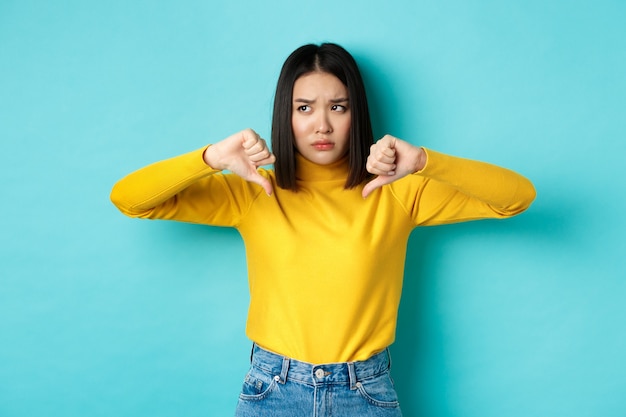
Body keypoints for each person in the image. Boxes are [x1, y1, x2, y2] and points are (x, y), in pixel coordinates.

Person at [110, 43, 536, 417]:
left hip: (365, 391)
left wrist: (425, 162)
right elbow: (129, 199)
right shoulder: (255, 190)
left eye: (338, 106)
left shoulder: (398, 193)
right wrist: (210, 158)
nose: (322, 125)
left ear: (356, 113)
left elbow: (516, 197)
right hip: (273, 389)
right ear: (286, 114)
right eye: (304, 108)